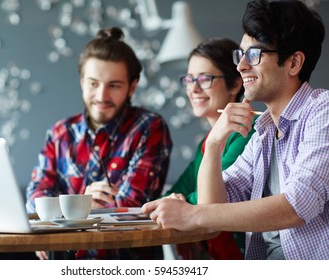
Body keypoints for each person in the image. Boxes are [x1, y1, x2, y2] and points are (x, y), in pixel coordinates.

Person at [143, 0, 328, 260]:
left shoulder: (323, 111)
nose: (241, 66)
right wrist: (216, 142)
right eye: (240, 55)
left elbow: (297, 206)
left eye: (254, 55)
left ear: (294, 63)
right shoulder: (263, 132)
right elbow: (214, 207)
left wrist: (191, 214)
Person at [26, 27, 173, 259]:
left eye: (114, 85)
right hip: (64, 261)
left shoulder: (149, 127)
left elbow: (133, 206)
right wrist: (84, 203)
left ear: (132, 87)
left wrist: (64, 211)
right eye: (94, 83)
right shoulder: (60, 132)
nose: (102, 96)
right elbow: (37, 194)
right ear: (82, 81)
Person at [163, 38, 256, 260]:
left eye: (204, 79)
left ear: (235, 84)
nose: (193, 89)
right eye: (189, 79)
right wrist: (177, 201)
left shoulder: (246, 136)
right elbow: (171, 195)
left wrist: (182, 203)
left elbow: (211, 199)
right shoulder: (205, 144)